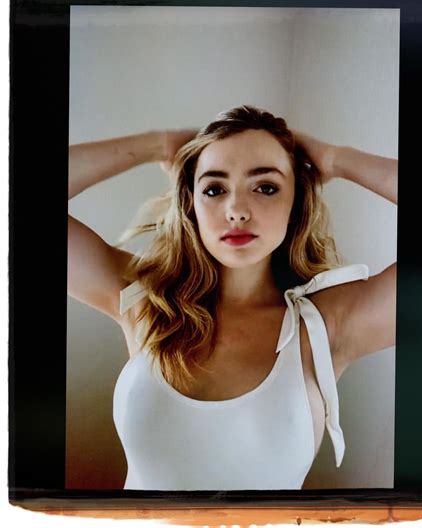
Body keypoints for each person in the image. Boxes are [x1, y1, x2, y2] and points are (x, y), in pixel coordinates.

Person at [68, 105, 397, 490]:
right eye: (214, 189)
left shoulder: (327, 324)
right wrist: (158, 145)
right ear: (190, 204)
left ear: (295, 203)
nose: (237, 211)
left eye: (266, 187)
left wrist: (334, 159)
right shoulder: (144, 299)